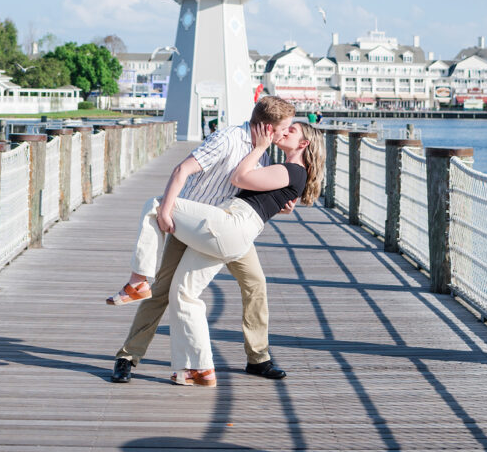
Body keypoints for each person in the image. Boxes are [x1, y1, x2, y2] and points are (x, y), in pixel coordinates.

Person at [107, 120, 325, 386]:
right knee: (165, 289)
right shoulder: (229, 138)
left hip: (228, 225)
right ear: (268, 124)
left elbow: (258, 196)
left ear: (303, 144)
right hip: (196, 217)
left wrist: (280, 201)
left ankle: (258, 359)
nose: (282, 131)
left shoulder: (266, 157)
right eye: (282, 126)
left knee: (255, 285)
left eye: (289, 129)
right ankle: (128, 357)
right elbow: (189, 170)